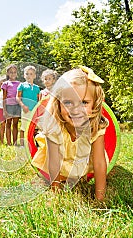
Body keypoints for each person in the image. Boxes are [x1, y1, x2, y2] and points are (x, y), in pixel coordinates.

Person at [31, 67, 109, 201]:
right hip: (60, 160)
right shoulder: (55, 127)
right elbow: (54, 162)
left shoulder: (96, 127)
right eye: (68, 102)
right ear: (58, 104)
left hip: (85, 160)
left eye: (84, 102)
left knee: (98, 161)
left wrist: (100, 198)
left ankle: (80, 176)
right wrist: (55, 191)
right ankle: (64, 179)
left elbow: (99, 163)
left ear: (95, 104)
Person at [16, 65, 41, 146]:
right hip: (25, 110)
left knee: (35, 127)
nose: (28, 76)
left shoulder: (37, 88)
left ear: (34, 76)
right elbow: (18, 97)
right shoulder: (22, 85)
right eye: (27, 74)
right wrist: (23, 106)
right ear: (24, 75)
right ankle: (23, 145)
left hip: (35, 111)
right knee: (24, 127)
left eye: (31, 74)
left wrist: (38, 110)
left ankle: (36, 144)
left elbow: (39, 100)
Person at [1, 64, 21, 145]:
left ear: (16, 73)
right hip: (8, 106)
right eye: (11, 72)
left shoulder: (20, 84)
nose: (13, 74)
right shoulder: (5, 84)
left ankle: (15, 142)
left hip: (17, 106)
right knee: (8, 124)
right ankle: (9, 142)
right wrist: (4, 109)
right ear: (8, 73)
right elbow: (4, 97)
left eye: (14, 72)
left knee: (15, 124)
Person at [0, 75, 7, 145]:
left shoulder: (9, 93)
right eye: (1, 84)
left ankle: (9, 140)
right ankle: (1, 141)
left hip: (8, 110)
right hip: (1, 110)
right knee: (2, 125)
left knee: (8, 125)